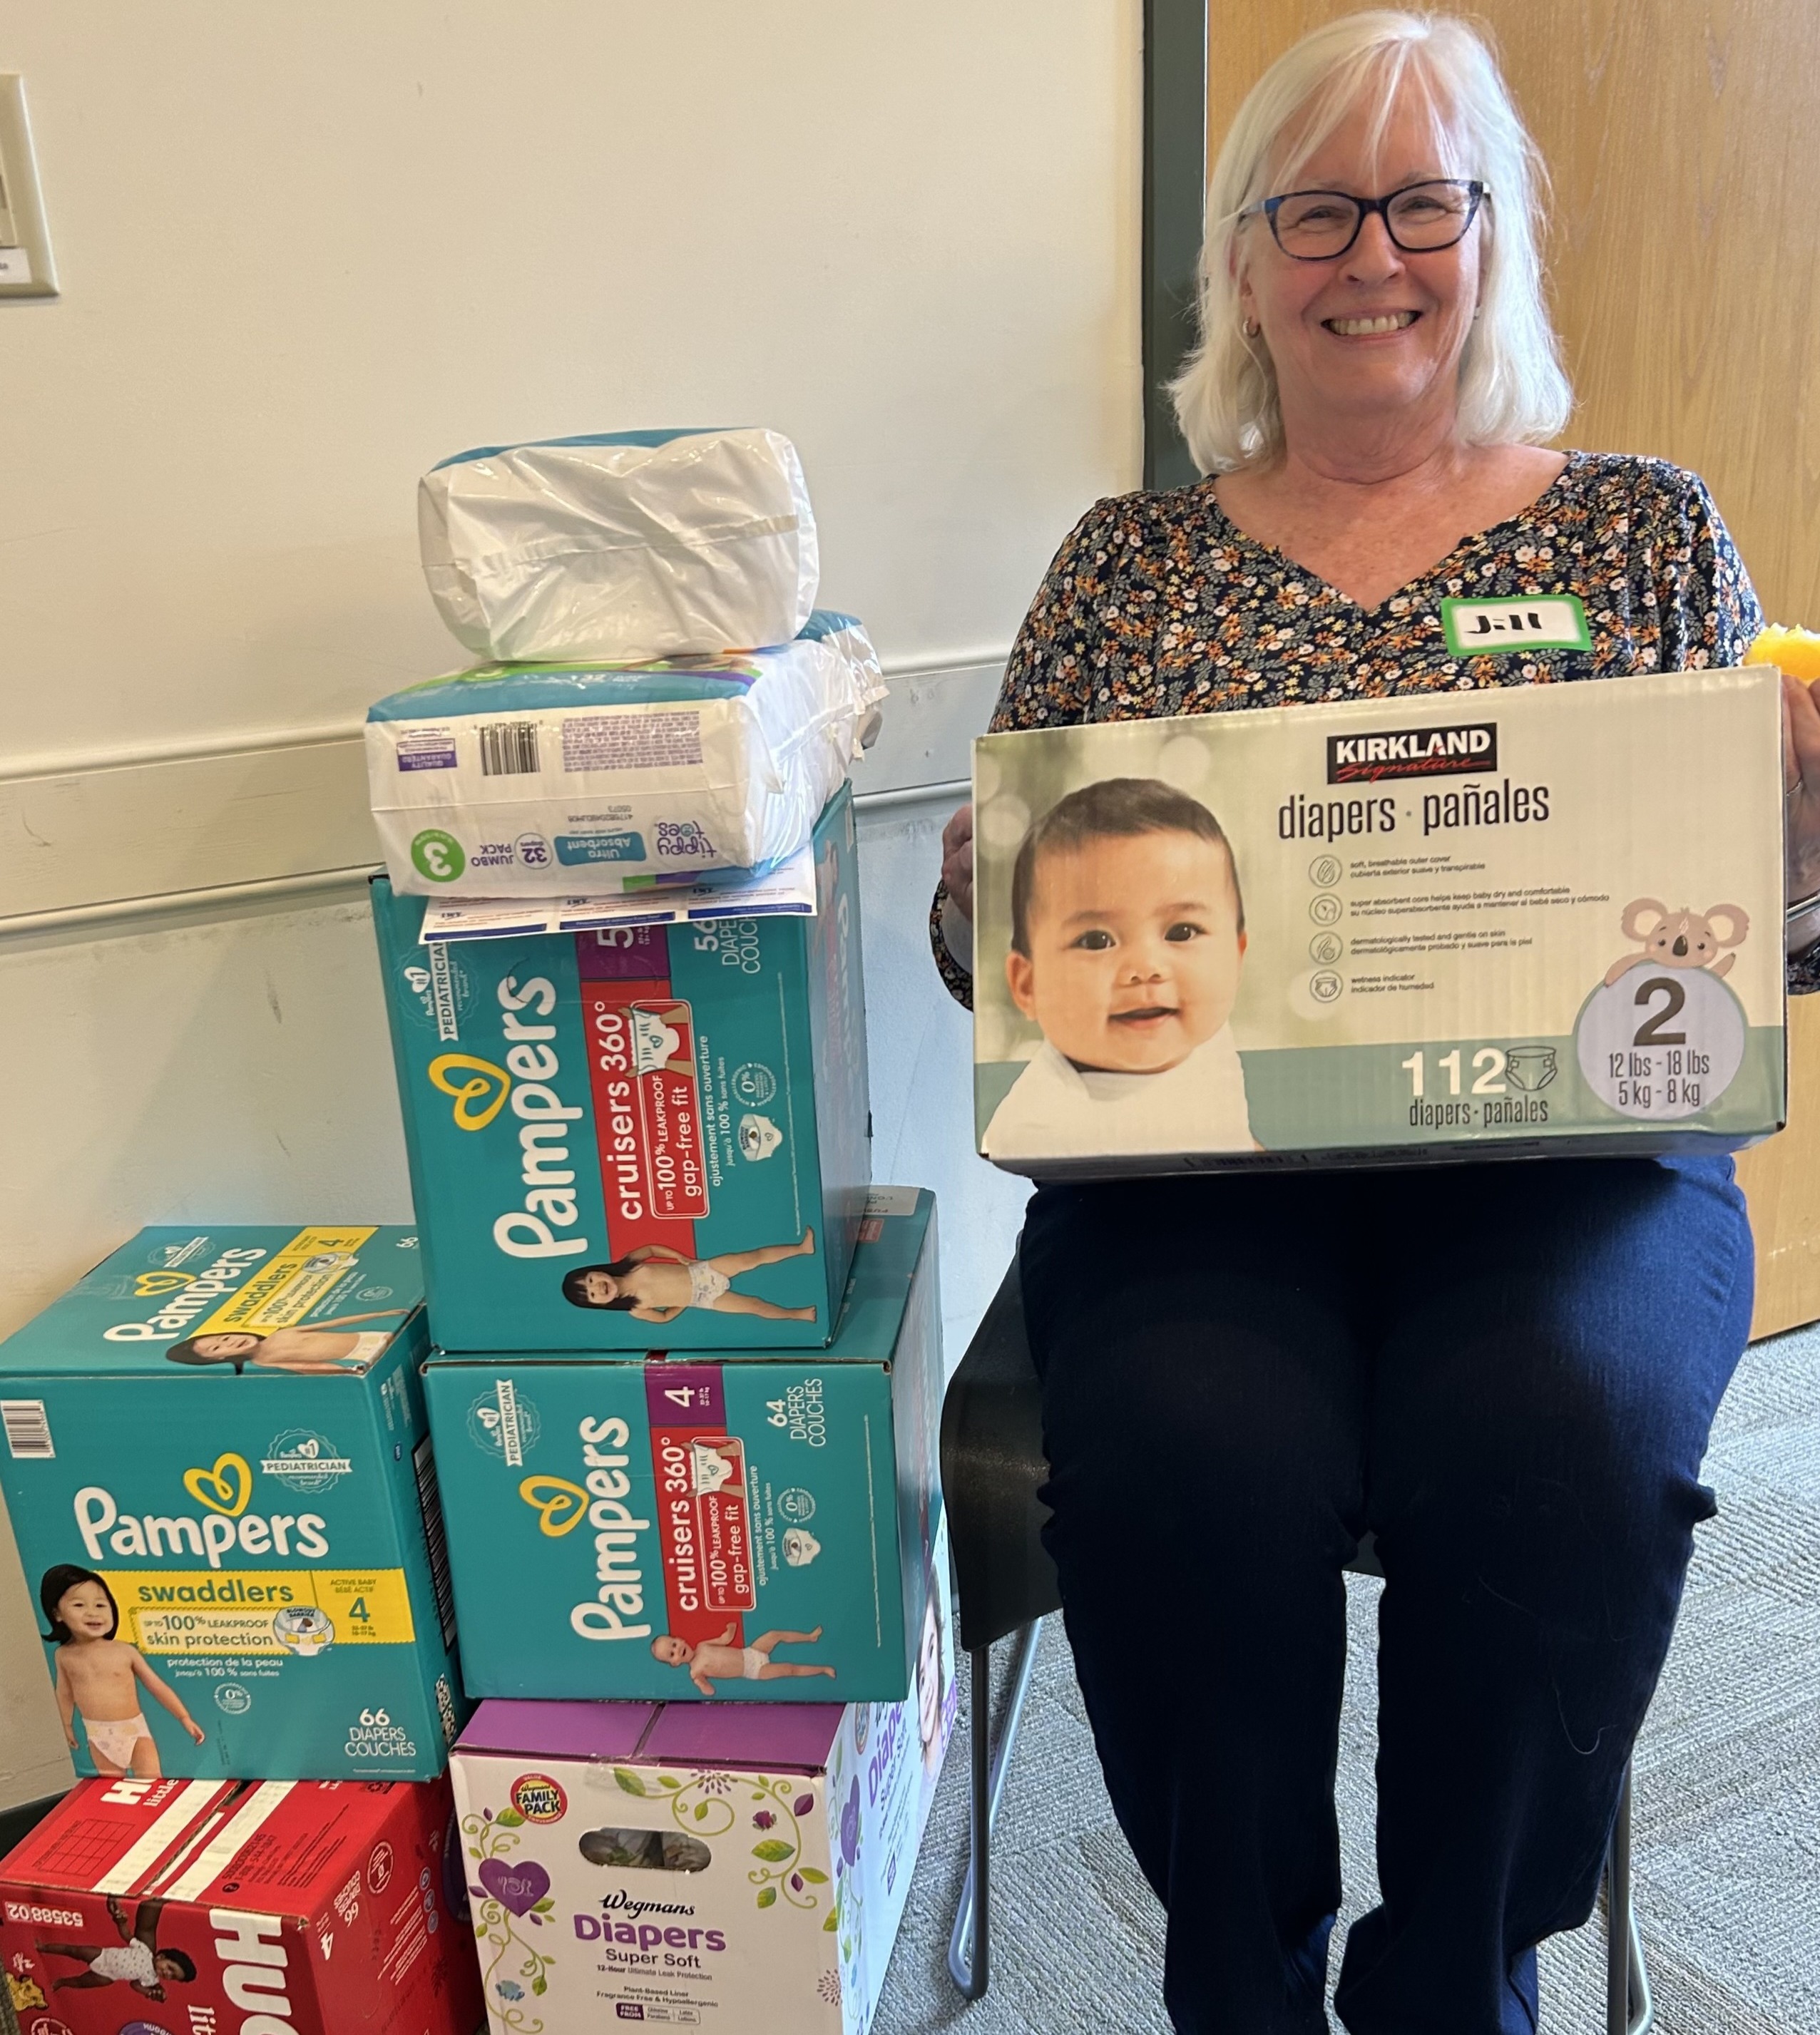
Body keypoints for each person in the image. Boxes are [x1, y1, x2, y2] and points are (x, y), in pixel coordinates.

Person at [931, 14, 1820, 2032]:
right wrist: (1001, 895)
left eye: (1425, 200)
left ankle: (1457, 1978)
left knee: (1558, 1430)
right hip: (1199, 1176)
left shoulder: (1646, 532)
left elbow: (1784, 944)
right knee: (1182, 1446)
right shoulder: (1129, 565)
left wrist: (1801, 827)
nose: (1372, 255)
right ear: (1243, 267)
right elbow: (978, 950)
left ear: (1491, 236)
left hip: (1574, 1163)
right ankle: (1240, 1984)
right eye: (1315, 208)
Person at [982, 776, 1255, 1160]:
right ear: (1028, 986)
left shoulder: (1207, 1036)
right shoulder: (1038, 1125)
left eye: (1182, 932)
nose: (1145, 969)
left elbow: (1239, 1139)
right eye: (1096, 940)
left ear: (1237, 956)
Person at [40, 1566, 206, 1778]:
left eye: (100, 1604)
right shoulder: (64, 1655)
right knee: (112, 1784)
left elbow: (156, 1686)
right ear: (57, 1614)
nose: (93, 1612)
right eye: (79, 1605)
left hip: (134, 1733)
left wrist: (184, 1717)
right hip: (98, 1736)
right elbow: (64, 1693)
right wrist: (66, 1725)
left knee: (151, 1780)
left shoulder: (124, 1651)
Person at [561, 1231, 818, 1323]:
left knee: (754, 1256)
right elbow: (662, 1318)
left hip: (701, 1271)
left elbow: (650, 1249)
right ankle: (798, 1314)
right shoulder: (636, 1309)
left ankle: (801, 1248)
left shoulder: (630, 1264)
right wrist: (683, 1301)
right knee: (755, 1306)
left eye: (591, 1279)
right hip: (702, 1298)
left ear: (596, 1269)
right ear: (599, 1305)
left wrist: (680, 1257)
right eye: (593, 1294)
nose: (598, 1287)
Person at [163, 1308, 409, 1373]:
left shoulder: (281, 1333)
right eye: (218, 1348)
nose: (230, 1343)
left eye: (225, 1337)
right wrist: (346, 1373)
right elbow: (311, 1367)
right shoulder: (265, 1362)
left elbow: (335, 1323)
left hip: (370, 1337)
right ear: (220, 1359)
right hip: (361, 1357)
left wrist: (380, 1314)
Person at [38, 1897, 195, 1996]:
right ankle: (44, 1947)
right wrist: (120, 1922)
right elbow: (127, 1936)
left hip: (108, 1976)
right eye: (170, 1968)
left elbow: (135, 1985)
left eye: (172, 1977)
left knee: (81, 1983)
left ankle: (61, 1983)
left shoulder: (151, 1979)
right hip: (102, 1956)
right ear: (161, 1956)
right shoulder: (146, 1951)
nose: (167, 1974)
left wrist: (148, 1992)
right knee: (72, 1951)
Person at [649, 1623, 835, 1693]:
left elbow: (725, 1640)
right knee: (789, 1669)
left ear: (679, 1639)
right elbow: (710, 1692)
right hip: (753, 1671)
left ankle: (809, 1637)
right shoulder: (695, 1671)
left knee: (774, 1633)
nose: (677, 1649)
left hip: (750, 1652)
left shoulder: (702, 1646)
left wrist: (730, 1630)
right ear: (674, 1663)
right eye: (672, 1654)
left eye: (674, 1644)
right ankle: (824, 1669)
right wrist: (701, 1684)